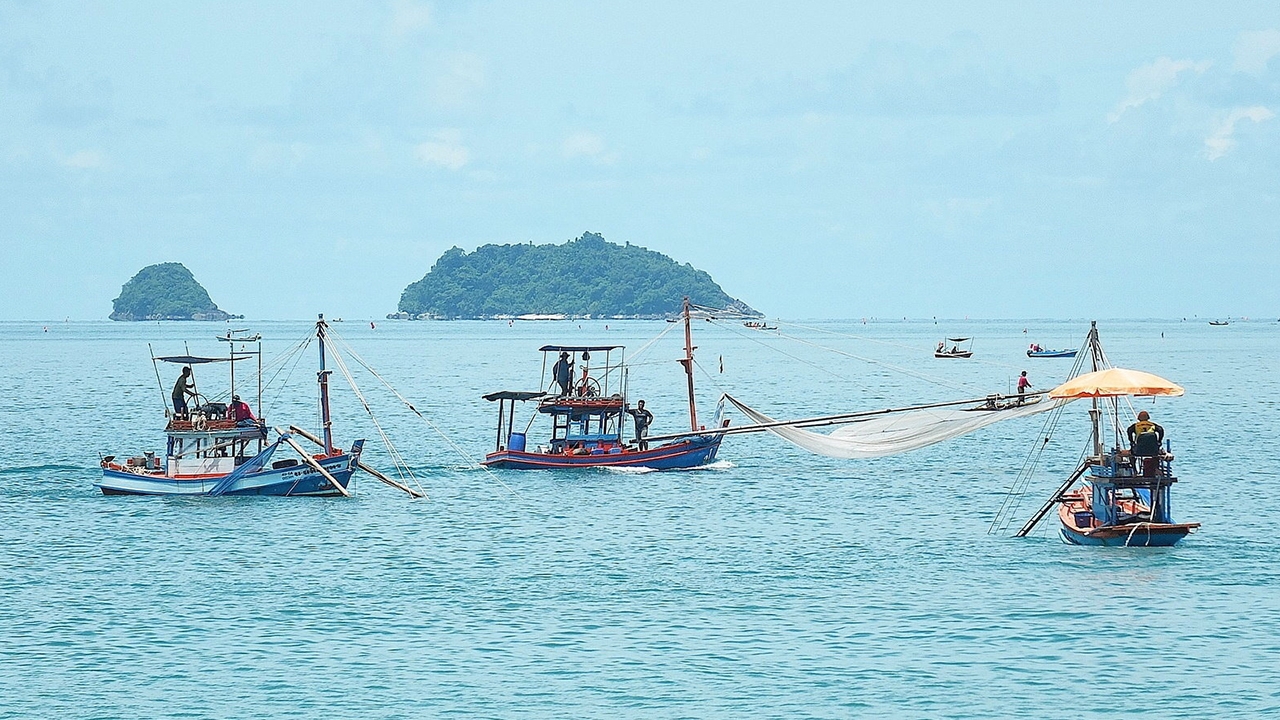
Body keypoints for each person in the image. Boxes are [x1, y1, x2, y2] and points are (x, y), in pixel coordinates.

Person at [1127, 410, 1165, 476]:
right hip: (1153, 450)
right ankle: (1156, 468)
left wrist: (1132, 442)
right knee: (1156, 455)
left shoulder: (1135, 426)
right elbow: (1161, 430)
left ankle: (1134, 470)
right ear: (1148, 418)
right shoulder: (1152, 425)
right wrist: (1159, 441)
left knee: (1131, 455)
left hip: (1139, 450)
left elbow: (1129, 431)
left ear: (1138, 418)